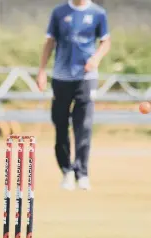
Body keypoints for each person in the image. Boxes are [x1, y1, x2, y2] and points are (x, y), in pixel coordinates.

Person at [36, 0, 111, 190]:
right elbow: (49, 42)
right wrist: (42, 70)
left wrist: (96, 59)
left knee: (83, 125)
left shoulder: (97, 13)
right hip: (61, 77)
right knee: (60, 124)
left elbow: (105, 41)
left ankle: (82, 173)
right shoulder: (59, 12)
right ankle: (67, 171)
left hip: (86, 78)